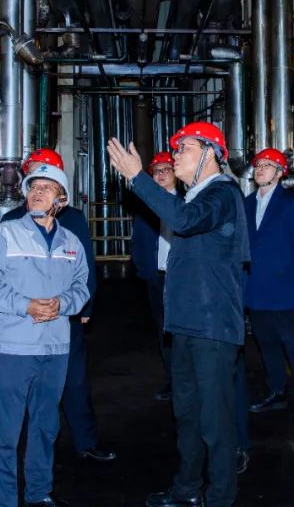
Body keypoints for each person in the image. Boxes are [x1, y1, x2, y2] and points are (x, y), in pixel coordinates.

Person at [107, 122, 249, 507]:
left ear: (210, 153)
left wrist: (138, 177)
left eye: (184, 148)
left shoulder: (222, 193)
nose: (175, 155)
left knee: (215, 422)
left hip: (212, 329)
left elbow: (185, 220)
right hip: (187, 325)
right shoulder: (196, 198)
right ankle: (187, 490)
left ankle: (220, 498)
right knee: (187, 415)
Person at [0, 163, 90, 507]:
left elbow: (82, 287)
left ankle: (39, 493)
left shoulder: (71, 243)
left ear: (61, 199)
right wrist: (25, 306)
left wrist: (63, 303)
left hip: (55, 348)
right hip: (13, 348)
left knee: (45, 427)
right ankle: (3, 502)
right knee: (6, 433)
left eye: (46, 188)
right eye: (33, 187)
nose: (37, 192)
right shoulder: (5, 235)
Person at [0, 148, 115, 462]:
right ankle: (25, 446)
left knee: (73, 380)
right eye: (34, 174)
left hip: (64, 316)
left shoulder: (73, 219)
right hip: (25, 320)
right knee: (23, 385)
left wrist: (85, 308)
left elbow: (85, 268)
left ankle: (86, 441)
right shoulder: (10, 221)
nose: (39, 181)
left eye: (46, 175)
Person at [244, 148, 294, 425]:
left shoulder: (290, 203)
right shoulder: (248, 203)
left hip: (281, 284)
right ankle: (277, 391)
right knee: (266, 343)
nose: (260, 169)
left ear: (280, 172)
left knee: (292, 344)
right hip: (255, 286)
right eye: (258, 165)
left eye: (267, 165)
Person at [130, 152, 179, 402]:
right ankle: (172, 380)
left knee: (182, 331)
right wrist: (145, 270)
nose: (160, 175)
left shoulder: (186, 204)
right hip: (157, 279)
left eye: (165, 170)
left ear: (176, 174)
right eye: (156, 171)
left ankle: (188, 379)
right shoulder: (146, 207)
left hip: (181, 280)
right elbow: (137, 242)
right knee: (163, 331)